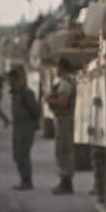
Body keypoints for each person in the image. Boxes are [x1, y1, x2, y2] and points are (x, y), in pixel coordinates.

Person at [46, 59, 77, 194]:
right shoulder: (68, 81)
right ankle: (65, 182)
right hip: (64, 119)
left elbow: (63, 103)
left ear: (61, 68)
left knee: (63, 150)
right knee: (63, 150)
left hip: (64, 120)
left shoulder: (65, 83)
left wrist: (49, 99)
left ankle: (66, 182)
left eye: (57, 67)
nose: (55, 70)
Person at [8, 68, 40, 191]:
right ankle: (23, 179)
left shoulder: (26, 93)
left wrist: (34, 123)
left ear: (16, 79)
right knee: (17, 155)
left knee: (23, 154)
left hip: (25, 128)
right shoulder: (15, 93)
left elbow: (35, 109)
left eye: (11, 80)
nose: (9, 82)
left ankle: (27, 181)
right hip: (17, 128)